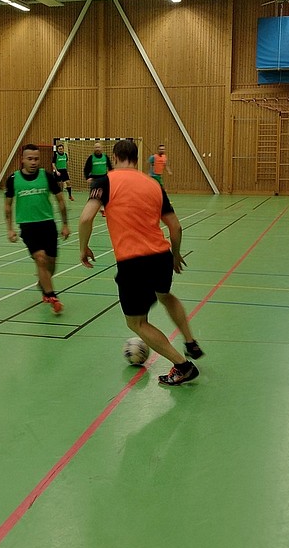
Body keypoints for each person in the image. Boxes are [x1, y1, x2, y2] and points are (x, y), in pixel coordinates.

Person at [78, 139, 204, 386]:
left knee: (136, 322)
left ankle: (183, 366)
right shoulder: (153, 184)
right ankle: (190, 342)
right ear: (136, 159)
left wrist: (83, 248)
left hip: (133, 262)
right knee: (165, 295)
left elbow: (85, 219)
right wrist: (175, 254)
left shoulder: (105, 181)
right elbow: (176, 227)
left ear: (115, 158)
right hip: (161, 256)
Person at [5, 143, 70, 314]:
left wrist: (65, 224)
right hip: (28, 227)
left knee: (51, 263)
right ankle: (52, 296)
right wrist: (10, 229)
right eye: (30, 159)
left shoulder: (47, 176)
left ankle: (43, 282)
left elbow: (60, 201)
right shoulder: (13, 179)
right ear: (22, 160)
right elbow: (8, 205)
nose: (33, 162)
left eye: (36, 159)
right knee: (40, 259)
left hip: (48, 224)